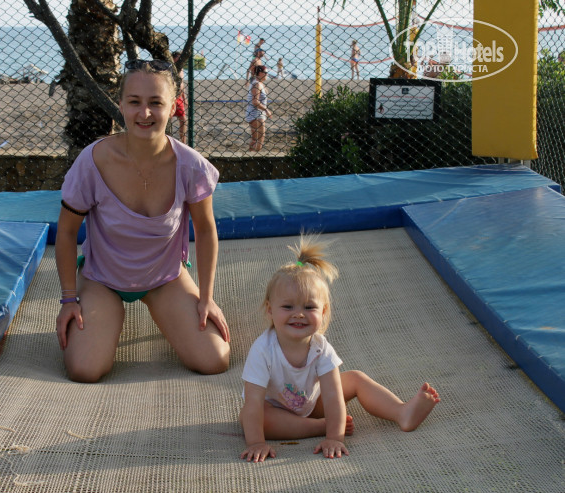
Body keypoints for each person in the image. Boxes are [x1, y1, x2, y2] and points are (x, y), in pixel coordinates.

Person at [56, 59, 231, 383]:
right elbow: (66, 232)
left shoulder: (190, 166)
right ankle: (107, 317)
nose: (145, 113)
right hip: (102, 279)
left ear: (173, 106)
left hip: (164, 277)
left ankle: (164, 312)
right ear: (121, 104)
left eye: (156, 103)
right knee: (85, 369)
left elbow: (206, 230)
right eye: (135, 102)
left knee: (215, 359)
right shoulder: (93, 162)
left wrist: (207, 298)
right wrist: (69, 299)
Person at [239, 236, 440, 462]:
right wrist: (256, 443)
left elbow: (333, 397)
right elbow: (253, 402)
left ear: (323, 312)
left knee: (355, 378)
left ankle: (401, 412)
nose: (299, 314)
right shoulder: (263, 350)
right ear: (270, 310)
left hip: (312, 403)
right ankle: (318, 426)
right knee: (250, 417)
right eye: (288, 306)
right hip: (275, 410)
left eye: (309, 307)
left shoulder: (321, 348)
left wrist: (335, 438)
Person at [245, 65, 271, 152]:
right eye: (265, 72)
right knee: (259, 138)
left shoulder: (259, 83)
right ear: (260, 73)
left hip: (257, 113)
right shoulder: (257, 84)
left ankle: (250, 154)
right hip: (255, 114)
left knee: (255, 138)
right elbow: (255, 101)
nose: (267, 74)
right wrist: (266, 109)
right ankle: (254, 155)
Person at [171, 51, 188, 142]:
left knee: (183, 119)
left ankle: (183, 141)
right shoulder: (170, 69)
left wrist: (184, 98)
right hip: (171, 97)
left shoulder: (180, 69)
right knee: (167, 119)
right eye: (178, 58)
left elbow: (182, 85)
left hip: (179, 97)